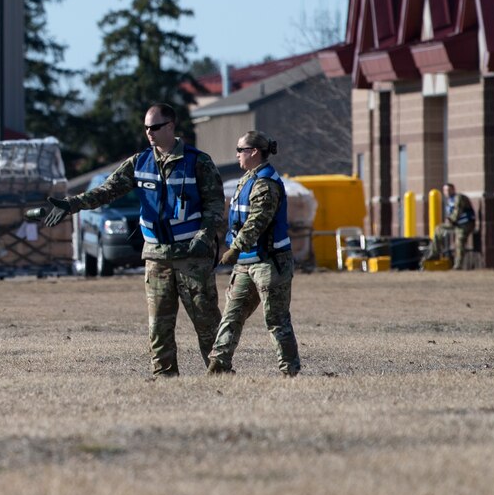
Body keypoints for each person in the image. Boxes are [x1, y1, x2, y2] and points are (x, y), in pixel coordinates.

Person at [28, 103, 225, 376]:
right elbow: (106, 190)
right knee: (159, 326)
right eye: (146, 128)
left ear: (170, 126)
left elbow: (215, 206)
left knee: (207, 323)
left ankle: (220, 373)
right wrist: (71, 205)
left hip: (192, 256)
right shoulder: (140, 162)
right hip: (156, 256)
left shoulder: (198, 162)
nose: (149, 133)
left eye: (155, 127)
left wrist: (205, 237)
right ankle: (164, 376)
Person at [208, 130, 302, 377]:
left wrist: (234, 249)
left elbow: (257, 222)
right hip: (245, 264)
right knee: (232, 315)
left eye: (240, 150)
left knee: (276, 319)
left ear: (254, 152)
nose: (237, 154)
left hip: (270, 263)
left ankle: (289, 370)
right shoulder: (246, 179)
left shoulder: (266, 183)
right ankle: (219, 365)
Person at [440, 183, 477, 268]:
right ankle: (434, 253)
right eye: (445, 190)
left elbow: (457, 213)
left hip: (466, 224)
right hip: (457, 224)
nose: (447, 192)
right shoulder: (449, 201)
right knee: (438, 229)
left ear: (453, 190)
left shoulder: (458, 198)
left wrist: (450, 220)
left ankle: (458, 265)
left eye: (449, 190)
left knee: (459, 240)